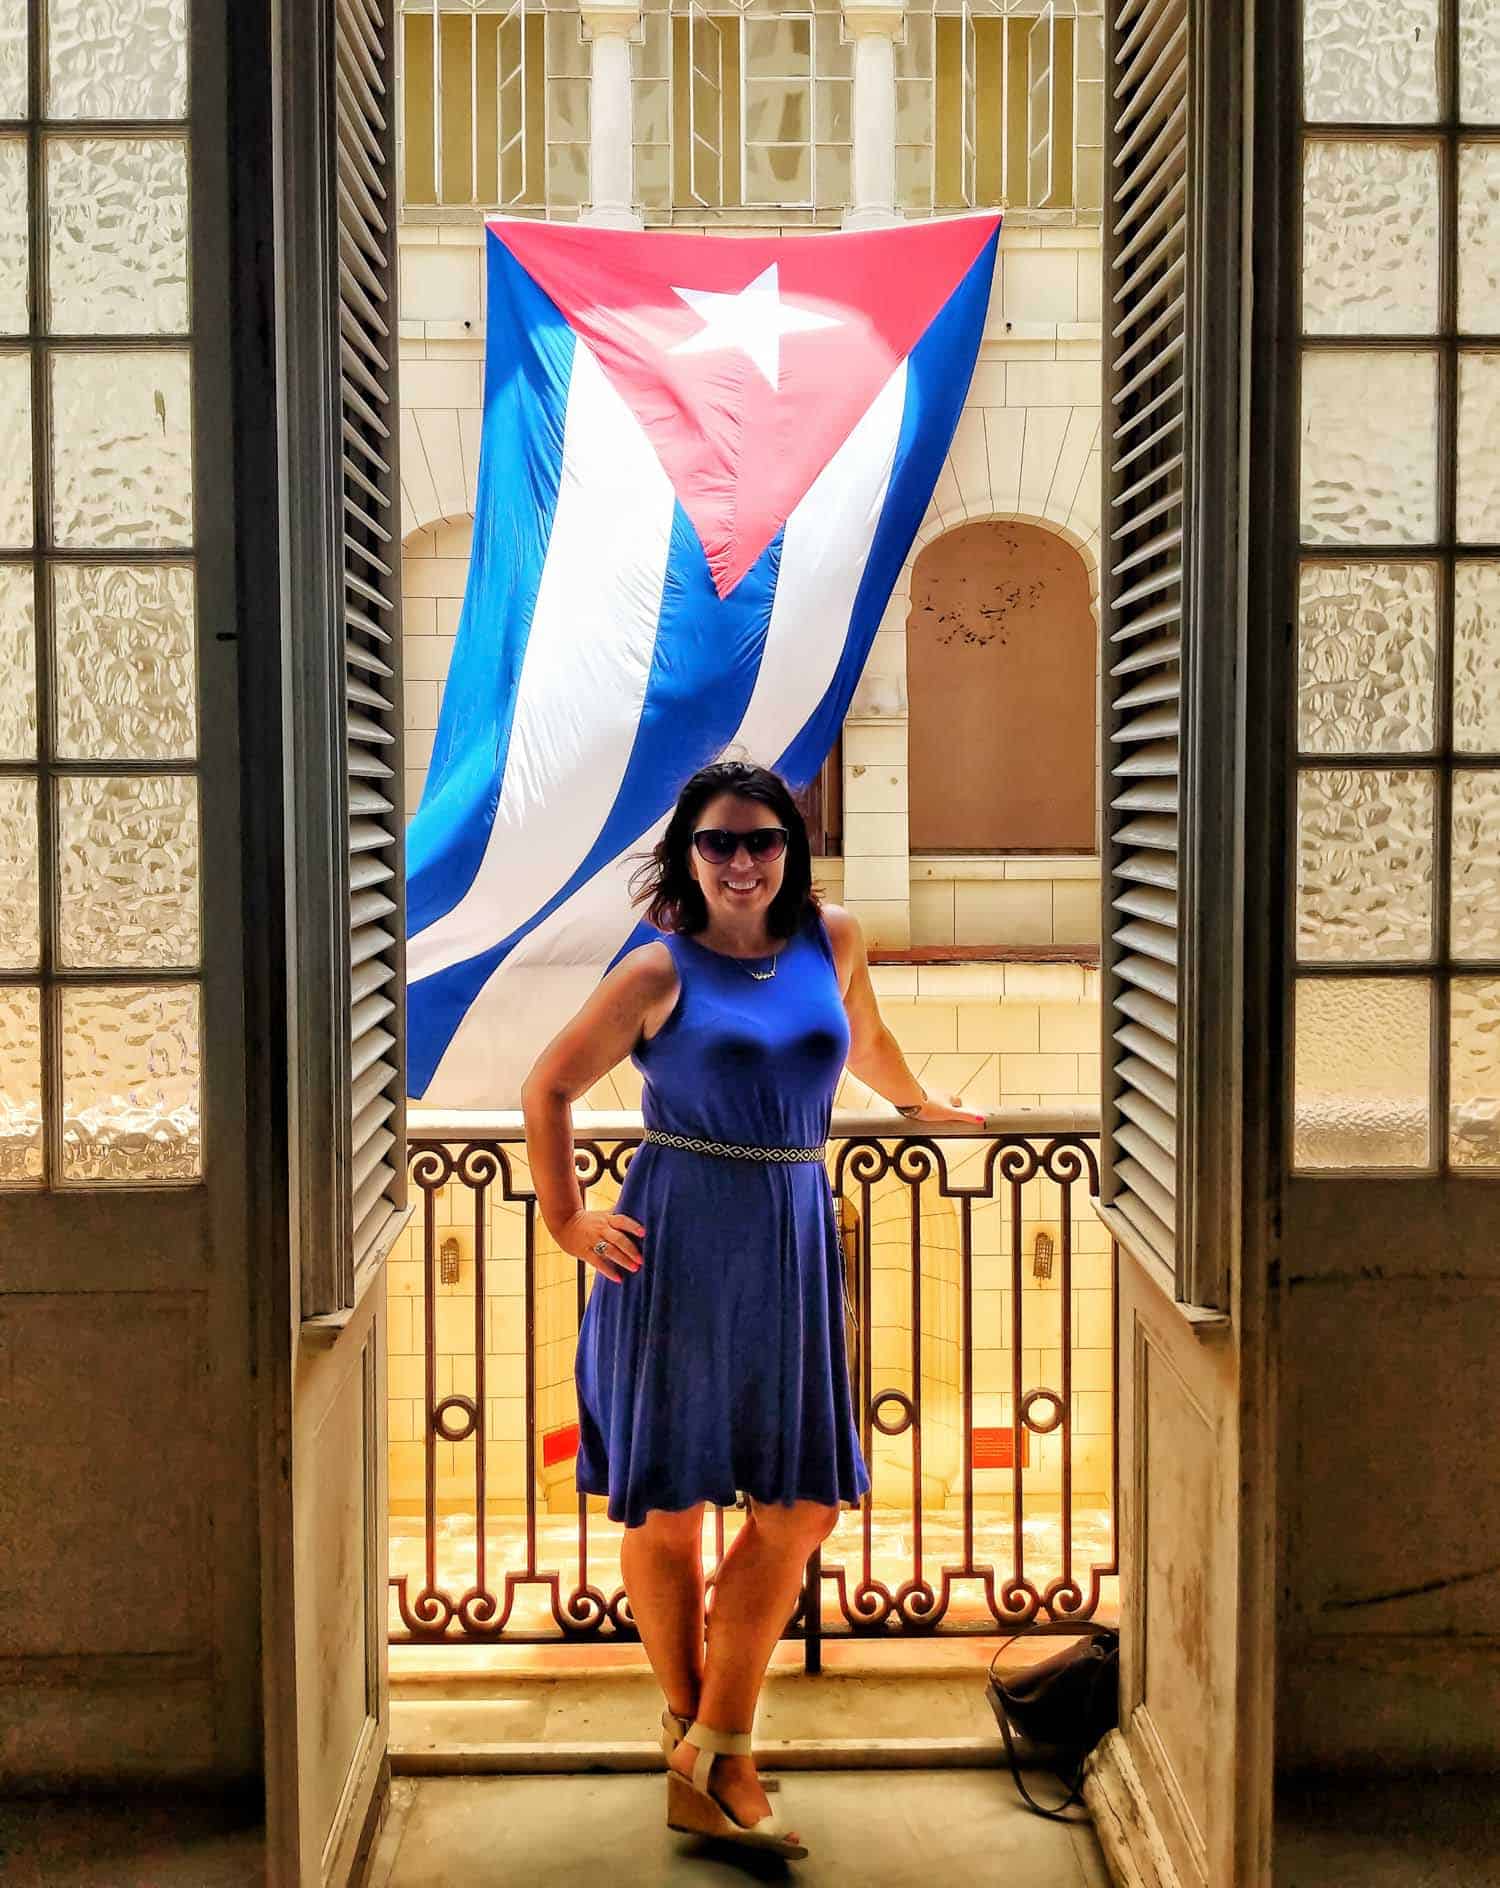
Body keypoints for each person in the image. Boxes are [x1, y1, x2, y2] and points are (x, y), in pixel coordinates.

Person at [519, 759, 984, 1859]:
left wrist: (920, 1104)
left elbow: (859, 1042)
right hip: (674, 1244)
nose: (742, 861)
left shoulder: (835, 937)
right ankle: (716, 1753)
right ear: (689, 854)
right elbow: (548, 1085)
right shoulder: (655, 968)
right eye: (720, 842)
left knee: (802, 1504)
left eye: (762, 840)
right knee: (668, 1508)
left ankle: (705, 1745)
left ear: (792, 850)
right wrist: (567, 1220)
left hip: (789, 1236)